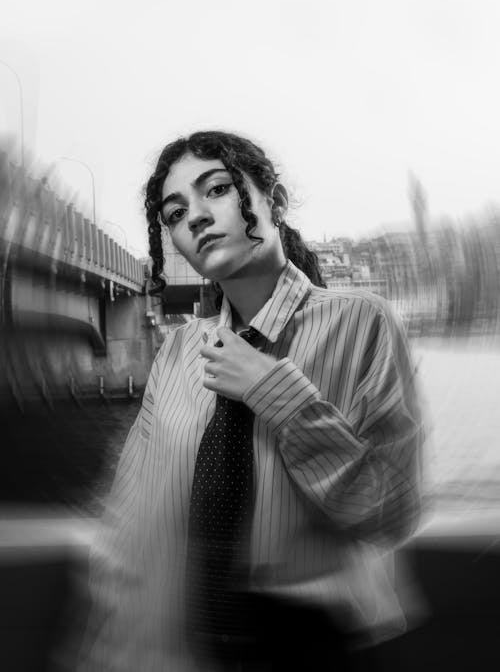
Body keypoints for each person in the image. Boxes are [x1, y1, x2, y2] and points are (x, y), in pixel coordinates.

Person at [79, 130, 423, 671]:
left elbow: (390, 512)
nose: (192, 218)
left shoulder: (362, 322)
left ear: (275, 203)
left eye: (215, 189)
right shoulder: (176, 354)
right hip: (195, 645)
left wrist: (275, 392)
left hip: (317, 645)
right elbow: (132, 515)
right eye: (174, 213)